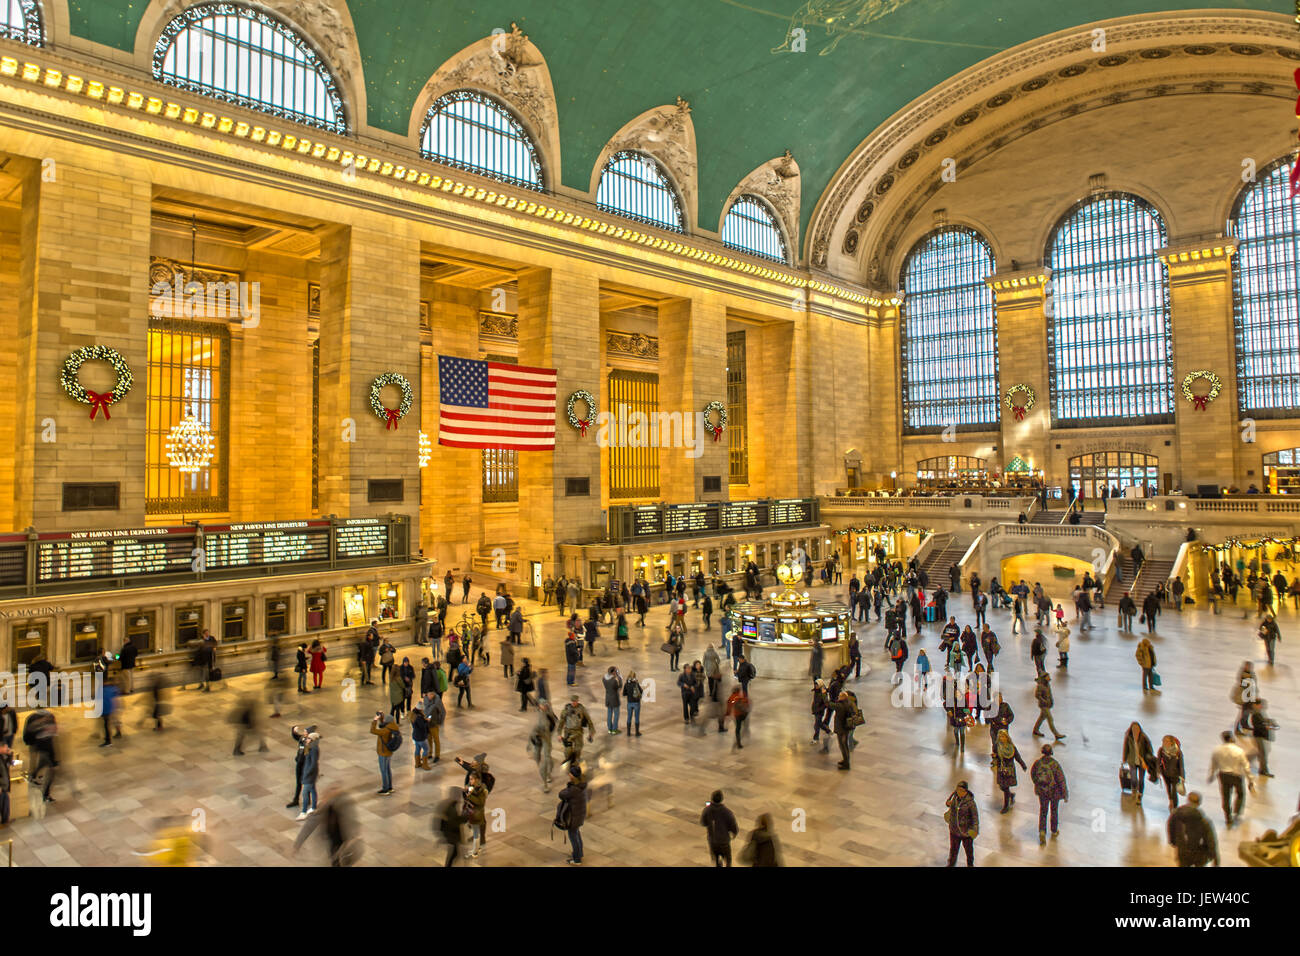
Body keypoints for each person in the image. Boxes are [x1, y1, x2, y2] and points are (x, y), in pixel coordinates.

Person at [1208, 730, 1254, 827]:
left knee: (1226, 797)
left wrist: (1211, 775)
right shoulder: (1239, 751)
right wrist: (1250, 780)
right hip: (1236, 775)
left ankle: (1227, 817)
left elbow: (1213, 764)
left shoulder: (1217, 750)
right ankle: (1237, 811)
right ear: (1231, 738)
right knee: (1240, 794)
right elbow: (1246, 766)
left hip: (1223, 775)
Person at [1167, 792, 1219, 867]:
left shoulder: (1176, 815)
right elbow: (1210, 839)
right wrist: (1213, 856)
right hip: (1199, 852)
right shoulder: (1203, 821)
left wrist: (1173, 841)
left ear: (1188, 800)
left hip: (1182, 851)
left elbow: (1170, 827)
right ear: (1199, 803)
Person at [1030, 744, 1068, 844]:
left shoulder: (1038, 763)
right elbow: (1061, 780)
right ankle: (1054, 830)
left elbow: (1033, 775)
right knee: (1054, 811)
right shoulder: (1055, 764)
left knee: (1043, 811)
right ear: (1051, 752)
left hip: (1042, 792)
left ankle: (1042, 831)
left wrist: (1038, 785)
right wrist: (1065, 794)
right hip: (1054, 792)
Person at [557, 763, 588, 865]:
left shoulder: (574, 789)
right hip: (579, 815)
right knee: (577, 834)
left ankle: (577, 859)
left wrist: (568, 786)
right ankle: (579, 853)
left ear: (573, 776)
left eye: (570, 773)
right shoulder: (581, 785)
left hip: (574, 817)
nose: (569, 775)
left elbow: (561, 794)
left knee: (573, 836)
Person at [1121, 721, 1157, 806]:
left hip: (1142, 762)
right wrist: (1124, 758)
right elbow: (1126, 748)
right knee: (1133, 778)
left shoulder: (1144, 737)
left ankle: (1140, 795)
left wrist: (1147, 758)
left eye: (1137, 729)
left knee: (1141, 780)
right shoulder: (1128, 737)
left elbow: (1150, 750)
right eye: (1134, 729)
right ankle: (1134, 789)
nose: (1135, 730)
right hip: (1132, 761)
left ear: (1140, 729)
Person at [700, 789, 739, 866]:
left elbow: (703, 823)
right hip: (724, 841)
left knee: (717, 859)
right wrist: (734, 832)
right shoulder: (727, 812)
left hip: (713, 840)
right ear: (721, 799)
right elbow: (733, 825)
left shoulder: (707, 810)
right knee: (728, 859)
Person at [944, 780, 979, 867]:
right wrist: (949, 799)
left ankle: (970, 865)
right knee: (953, 851)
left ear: (965, 791)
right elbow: (948, 804)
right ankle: (951, 864)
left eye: (961, 790)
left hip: (966, 832)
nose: (959, 792)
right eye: (957, 790)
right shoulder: (955, 799)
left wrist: (974, 830)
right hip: (954, 830)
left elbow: (975, 817)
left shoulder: (970, 803)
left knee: (969, 851)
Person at [992, 729, 1028, 814]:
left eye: (1003, 736)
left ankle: (1006, 806)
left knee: (1006, 786)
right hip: (1001, 769)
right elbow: (996, 756)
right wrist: (995, 757)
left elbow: (1017, 757)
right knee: (1002, 786)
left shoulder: (1012, 747)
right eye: (1000, 737)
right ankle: (1010, 795)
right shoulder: (997, 746)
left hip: (1009, 769)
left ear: (1007, 737)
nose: (1002, 738)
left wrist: (1023, 765)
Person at [558, 694, 594, 765]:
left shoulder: (581, 709)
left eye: (575, 701)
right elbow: (561, 722)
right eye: (572, 701)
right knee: (568, 751)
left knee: (578, 749)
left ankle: (575, 763)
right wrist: (559, 734)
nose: (574, 703)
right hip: (568, 732)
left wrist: (591, 732)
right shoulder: (566, 710)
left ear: (578, 701)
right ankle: (569, 761)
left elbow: (589, 720)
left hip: (578, 732)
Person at [529, 700, 557, 791]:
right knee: (537, 757)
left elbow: (554, 724)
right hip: (537, 739)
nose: (543, 707)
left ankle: (546, 780)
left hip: (546, 738)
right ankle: (546, 775)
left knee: (546, 759)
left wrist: (549, 734)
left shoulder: (549, 714)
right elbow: (533, 729)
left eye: (545, 705)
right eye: (542, 705)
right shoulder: (537, 714)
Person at [370, 711, 400, 795]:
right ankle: (390, 787)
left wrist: (374, 720)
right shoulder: (393, 727)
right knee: (387, 769)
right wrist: (381, 717)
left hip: (383, 752)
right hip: (389, 752)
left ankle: (385, 788)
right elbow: (384, 724)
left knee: (383, 771)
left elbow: (372, 730)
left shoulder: (385, 731)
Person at [295, 730, 322, 820]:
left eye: (309, 738)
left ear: (313, 740)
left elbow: (313, 763)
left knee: (305, 792)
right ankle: (314, 807)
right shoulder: (309, 746)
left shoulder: (314, 749)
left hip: (310, 774)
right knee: (312, 789)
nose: (307, 739)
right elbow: (305, 755)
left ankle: (303, 812)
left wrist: (307, 773)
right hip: (307, 771)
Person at [1031, 673, 1065, 741]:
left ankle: (1036, 730)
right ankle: (1056, 734)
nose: (1049, 677)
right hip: (1043, 705)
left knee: (1042, 718)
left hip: (1048, 704)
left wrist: (1051, 701)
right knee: (1050, 719)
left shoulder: (1047, 685)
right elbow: (1037, 695)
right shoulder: (1040, 686)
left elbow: (1049, 694)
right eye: (1048, 676)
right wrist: (1044, 701)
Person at [1247, 699, 1276, 777]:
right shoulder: (1255, 714)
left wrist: (1267, 722)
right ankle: (1263, 770)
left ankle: (1263, 769)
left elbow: (1260, 722)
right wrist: (1266, 727)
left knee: (1262, 753)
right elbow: (1257, 725)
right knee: (1262, 754)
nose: (1261, 706)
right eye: (1260, 705)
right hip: (1259, 736)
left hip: (1260, 736)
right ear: (1256, 705)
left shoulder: (1257, 712)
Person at [463, 771, 488, 859]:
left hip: (477, 813)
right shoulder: (473, 787)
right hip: (473, 812)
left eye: (471, 779)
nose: (470, 781)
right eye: (470, 779)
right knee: (475, 831)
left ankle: (475, 852)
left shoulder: (481, 789)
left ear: (477, 780)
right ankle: (477, 848)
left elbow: (480, 802)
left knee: (476, 832)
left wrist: (469, 796)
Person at [1157, 735, 1186, 810]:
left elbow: (1181, 765)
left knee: (1174, 791)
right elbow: (1158, 762)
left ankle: (1175, 807)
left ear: (1171, 742)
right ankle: (1171, 800)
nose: (1164, 743)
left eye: (1166, 741)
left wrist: (1183, 777)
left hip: (1175, 774)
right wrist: (1158, 772)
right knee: (1168, 788)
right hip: (1165, 773)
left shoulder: (1177, 752)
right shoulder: (1161, 750)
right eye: (1163, 741)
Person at [725, 684, 750, 750]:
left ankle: (738, 742)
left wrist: (727, 714)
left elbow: (729, 705)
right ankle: (742, 738)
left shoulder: (732, 697)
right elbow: (747, 702)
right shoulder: (742, 694)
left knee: (738, 729)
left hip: (737, 715)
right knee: (743, 727)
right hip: (744, 714)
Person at [602, 666, 623, 735]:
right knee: (616, 714)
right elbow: (619, 687)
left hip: (608, 698)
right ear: (613, 672)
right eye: (616, 671)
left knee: (609, 714)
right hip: (614, 699)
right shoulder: (613, 681)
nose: (616, 672)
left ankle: (609, 729)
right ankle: (614, 729)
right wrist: (620, 678)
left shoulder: (604, 678)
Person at [623, 671, 643, 736]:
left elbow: (624, 693)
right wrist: (637, 683)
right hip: (636, 703)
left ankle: (628, 733)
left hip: (629, 703)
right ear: (634, 677)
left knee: (629, 717)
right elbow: (641, 691)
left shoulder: (626, 684)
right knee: (636, 717)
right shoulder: (635, 684)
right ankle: (637, 732)